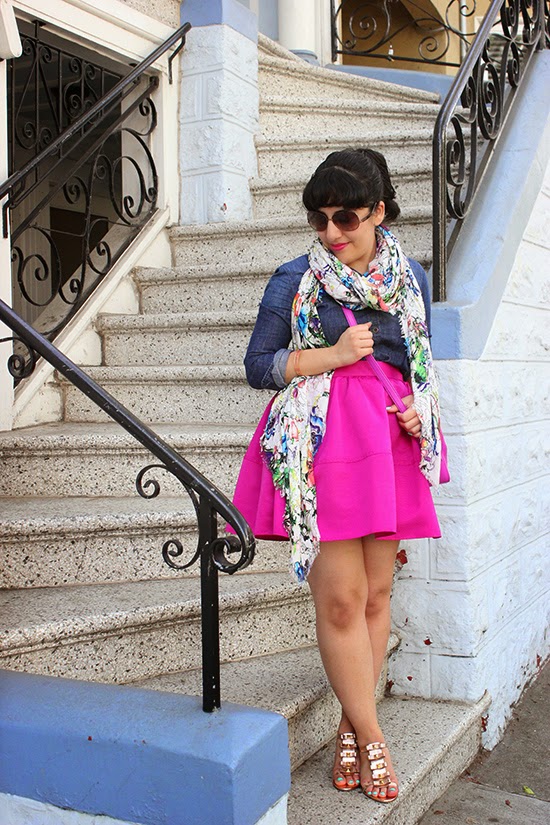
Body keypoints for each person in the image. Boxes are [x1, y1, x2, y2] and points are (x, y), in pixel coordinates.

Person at [232, 148, 444, 803]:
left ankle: (353, 724)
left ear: (380, 211)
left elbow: (420, 365)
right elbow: (258, 364)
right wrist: (326, 355)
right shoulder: (294, 278)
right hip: (320, 445)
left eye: (347, 218)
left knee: (378, 595)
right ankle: (375, 738)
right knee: (342, 600)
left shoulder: (409, 277)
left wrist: (417, 408)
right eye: (320, 219)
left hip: (386, 443)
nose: (331, 234)